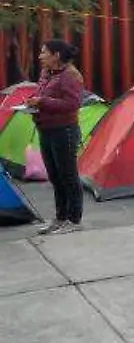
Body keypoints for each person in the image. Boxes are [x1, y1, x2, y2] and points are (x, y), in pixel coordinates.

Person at [27, 40, 85, 235]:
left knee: (68, 176)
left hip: (64, 131)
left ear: (56, 55)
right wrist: (33, 103)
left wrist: (42, 101)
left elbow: (72, 104)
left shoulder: (71, 75)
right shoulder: (46, 73)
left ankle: (74, 220)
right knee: (54, 176)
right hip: (46, 129)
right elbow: (42, 94)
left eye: (44, 53)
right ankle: (60, 218)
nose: (40, 56)